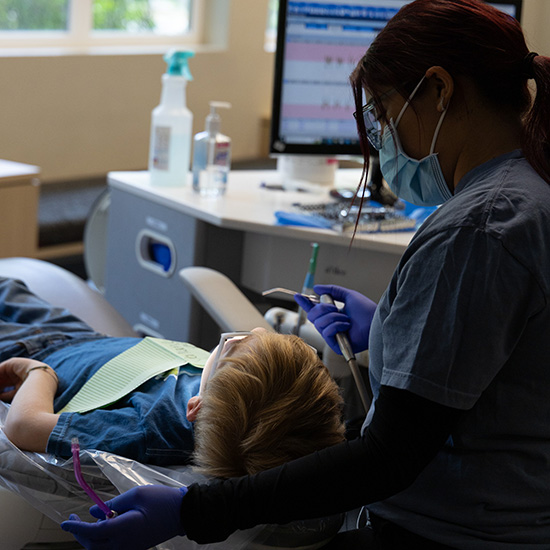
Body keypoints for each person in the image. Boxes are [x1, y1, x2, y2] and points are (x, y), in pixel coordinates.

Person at [61, 0, 550, 548]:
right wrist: (391, 328)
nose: (382, 138)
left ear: (438, 89)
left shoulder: (477, 229)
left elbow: (389, 458)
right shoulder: (530, 192)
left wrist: (192, 510)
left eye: (383, 115)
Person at [0, 276, 345, 480]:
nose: (246, 333)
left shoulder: (150, 429)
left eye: (230, 348)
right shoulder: (235, 400)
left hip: (33, 351)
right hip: (84, 339)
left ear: (195, 407)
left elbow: (25, 426)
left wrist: (37, 372)